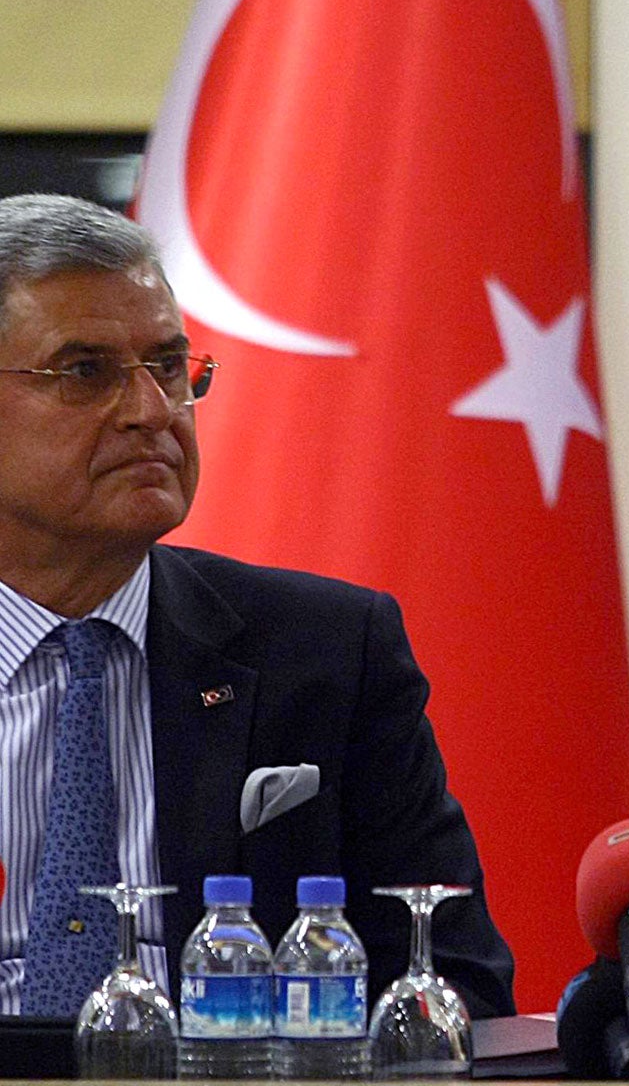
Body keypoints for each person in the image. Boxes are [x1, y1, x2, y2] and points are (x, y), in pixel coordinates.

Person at [0, 194, 513, 1018]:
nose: (152, 412)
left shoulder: (330, 654)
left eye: (168, 366)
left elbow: (453, 985)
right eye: (85, 372)